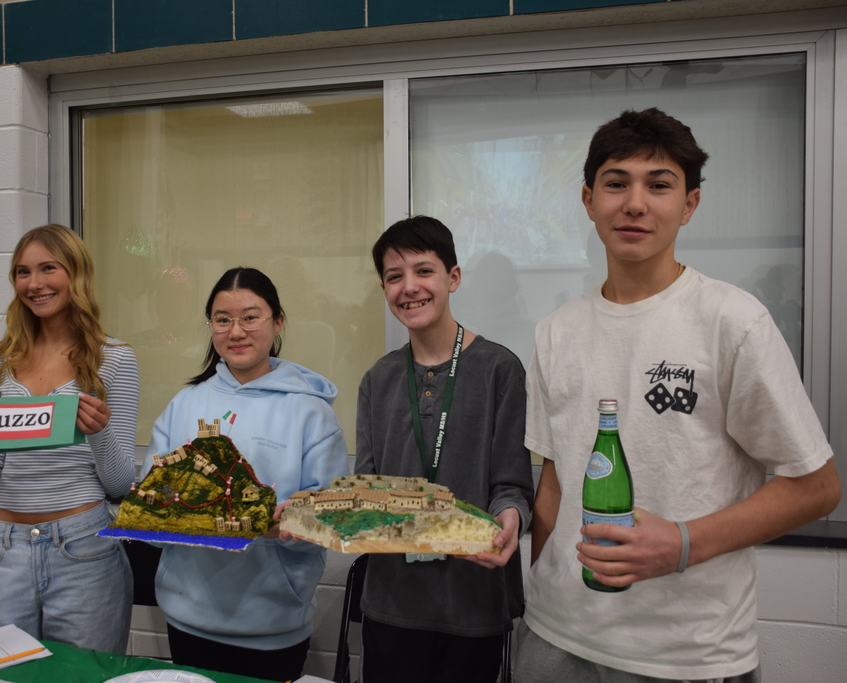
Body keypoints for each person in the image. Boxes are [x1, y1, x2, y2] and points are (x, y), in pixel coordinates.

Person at [516, 108, 841, 682]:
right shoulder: (555, 331)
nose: (635, 203)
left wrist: (682, 543)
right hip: (554, 637)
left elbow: (816, 487)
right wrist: (539, 585)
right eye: (616, 183)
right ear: (588, 200)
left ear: (689, 204)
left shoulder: (732, 321)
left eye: (659, 185)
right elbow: (555, 482)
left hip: (685, 654)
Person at [0, 224, 138, 654]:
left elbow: (121, 485)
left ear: (76, 273)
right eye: (23, 272)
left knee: (79, 678)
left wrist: (100, 434)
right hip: (5, 547)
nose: (34, 283)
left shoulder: (114, 359)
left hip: (83, 547)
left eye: (48, 268)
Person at [142, 266, 349, 682]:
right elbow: (148, 503)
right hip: (187, 616)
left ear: (278, 322)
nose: (236, 331)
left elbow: (332, 516)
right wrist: (168, 502)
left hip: (272, 624)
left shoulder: (311, 413)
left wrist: (291, 521)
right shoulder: (185, 404)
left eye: (250, 317)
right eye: (223, 320)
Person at [354, 216, 534, 683]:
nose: (409, 287)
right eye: (394, 276)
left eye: (424, 271)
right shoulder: (378, 379)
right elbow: (365, 491)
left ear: (453, 277)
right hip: (391, 603)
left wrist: (510, 518)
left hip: (473, 602)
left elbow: (512, 485)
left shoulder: (500, 369)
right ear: (384, 288)